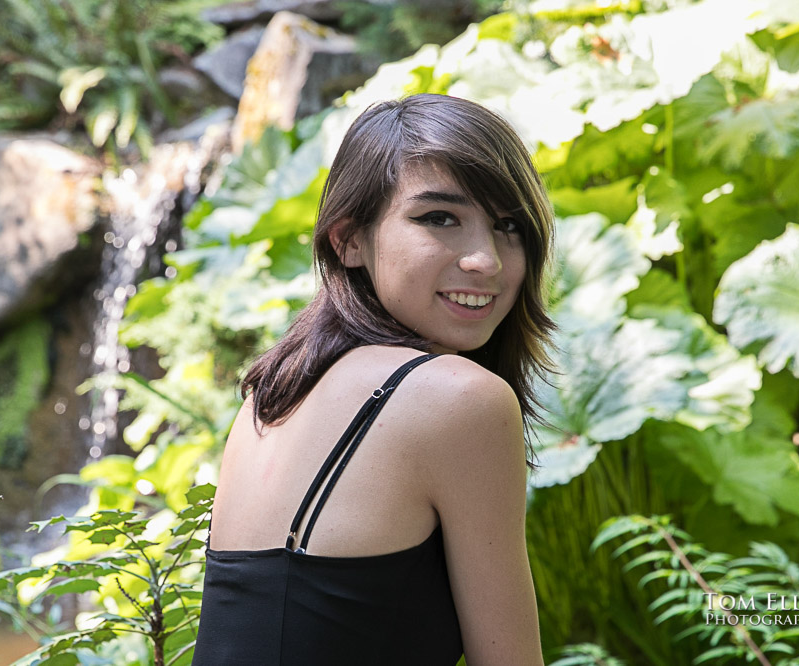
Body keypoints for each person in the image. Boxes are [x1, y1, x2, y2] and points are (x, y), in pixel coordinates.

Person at [192, 93, 555, 666]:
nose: (486, 259)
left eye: (508, 225)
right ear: (349, 240)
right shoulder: (459, 400)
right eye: (439, 218)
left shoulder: (274, 393)